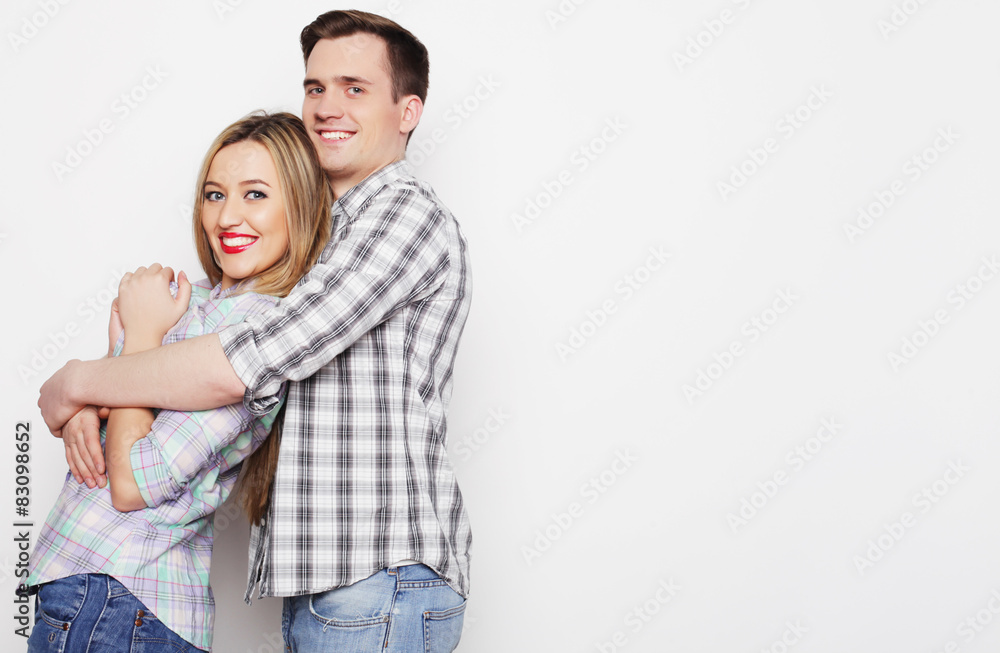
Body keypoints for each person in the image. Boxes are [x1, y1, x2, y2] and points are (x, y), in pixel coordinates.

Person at [37, 9, 473, 653]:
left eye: (354, 88)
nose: (327, 107)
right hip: (331, 582)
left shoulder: (401, 215)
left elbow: (246, 361)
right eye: (315, 87)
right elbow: (168, 379)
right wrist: (91, 400)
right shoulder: (317, 245)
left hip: (377, 572)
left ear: (408, 111)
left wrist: (78, 381)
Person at [24, 112, 332, 652]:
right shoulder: (194, 302)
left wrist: (140, 334)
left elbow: (132, 483)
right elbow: (67, 398)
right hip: (95, 590)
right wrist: (82, 409)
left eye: (255, 194)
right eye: (214, 194)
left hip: (120, 597)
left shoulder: (255, 333)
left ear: (301, 207)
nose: (226, 216)